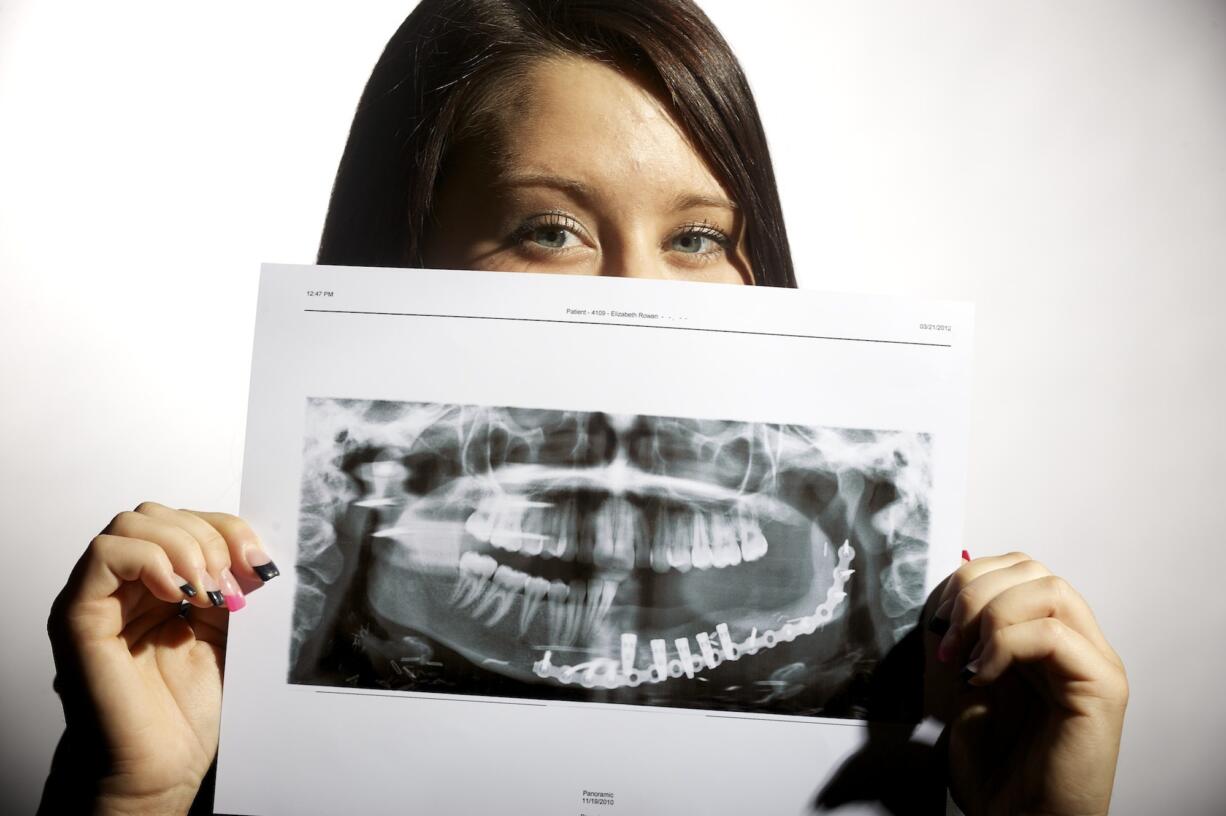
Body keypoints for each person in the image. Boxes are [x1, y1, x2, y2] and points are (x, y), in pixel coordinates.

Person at [40, 1, 1128, 814]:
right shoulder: (216, 710)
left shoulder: (927, 717)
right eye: (548, 230)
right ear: (396, 258)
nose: (639, 304)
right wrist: (132, 797)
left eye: (697, 238)